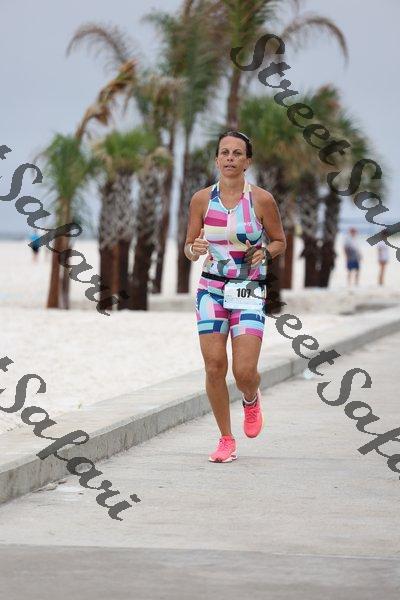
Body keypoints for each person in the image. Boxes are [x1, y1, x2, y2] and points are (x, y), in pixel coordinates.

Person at [184, 131, 286, 463]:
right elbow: (189, 247)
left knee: (244, 372)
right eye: (225, 152)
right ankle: (226, 439)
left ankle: (251, 398)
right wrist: (195, 248)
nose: (230, 158)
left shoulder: (261, 200)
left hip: (247, 289)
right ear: (217, 160)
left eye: (237, 153)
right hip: (211, 290)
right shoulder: (201, 199)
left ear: (247, 161)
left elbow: (279, 241)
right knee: (214, 366)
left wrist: (265, 253)